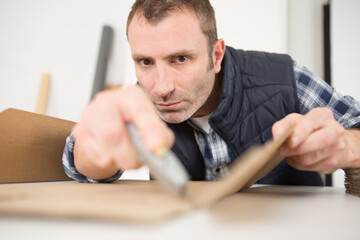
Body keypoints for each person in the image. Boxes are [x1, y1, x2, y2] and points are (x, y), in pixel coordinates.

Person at [62, 0, 360, 185]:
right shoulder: (135, 106)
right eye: (145, 62)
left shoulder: (285, 78)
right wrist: (92, 152)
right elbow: (80, 163)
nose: (161, 88)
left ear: (216, 55)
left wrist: (347, 146)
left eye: (180, 59)